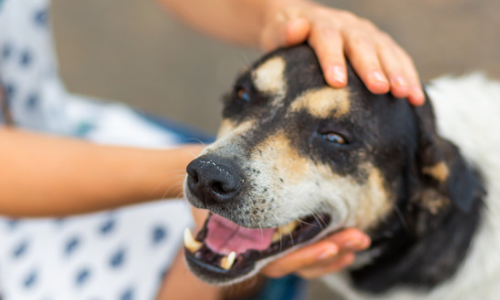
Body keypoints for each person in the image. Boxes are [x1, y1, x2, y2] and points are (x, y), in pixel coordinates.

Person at [0, 0, 423, 299]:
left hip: (50, 126)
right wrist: (191, 170)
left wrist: (282, 13)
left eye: (333, 137)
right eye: (245, 94)